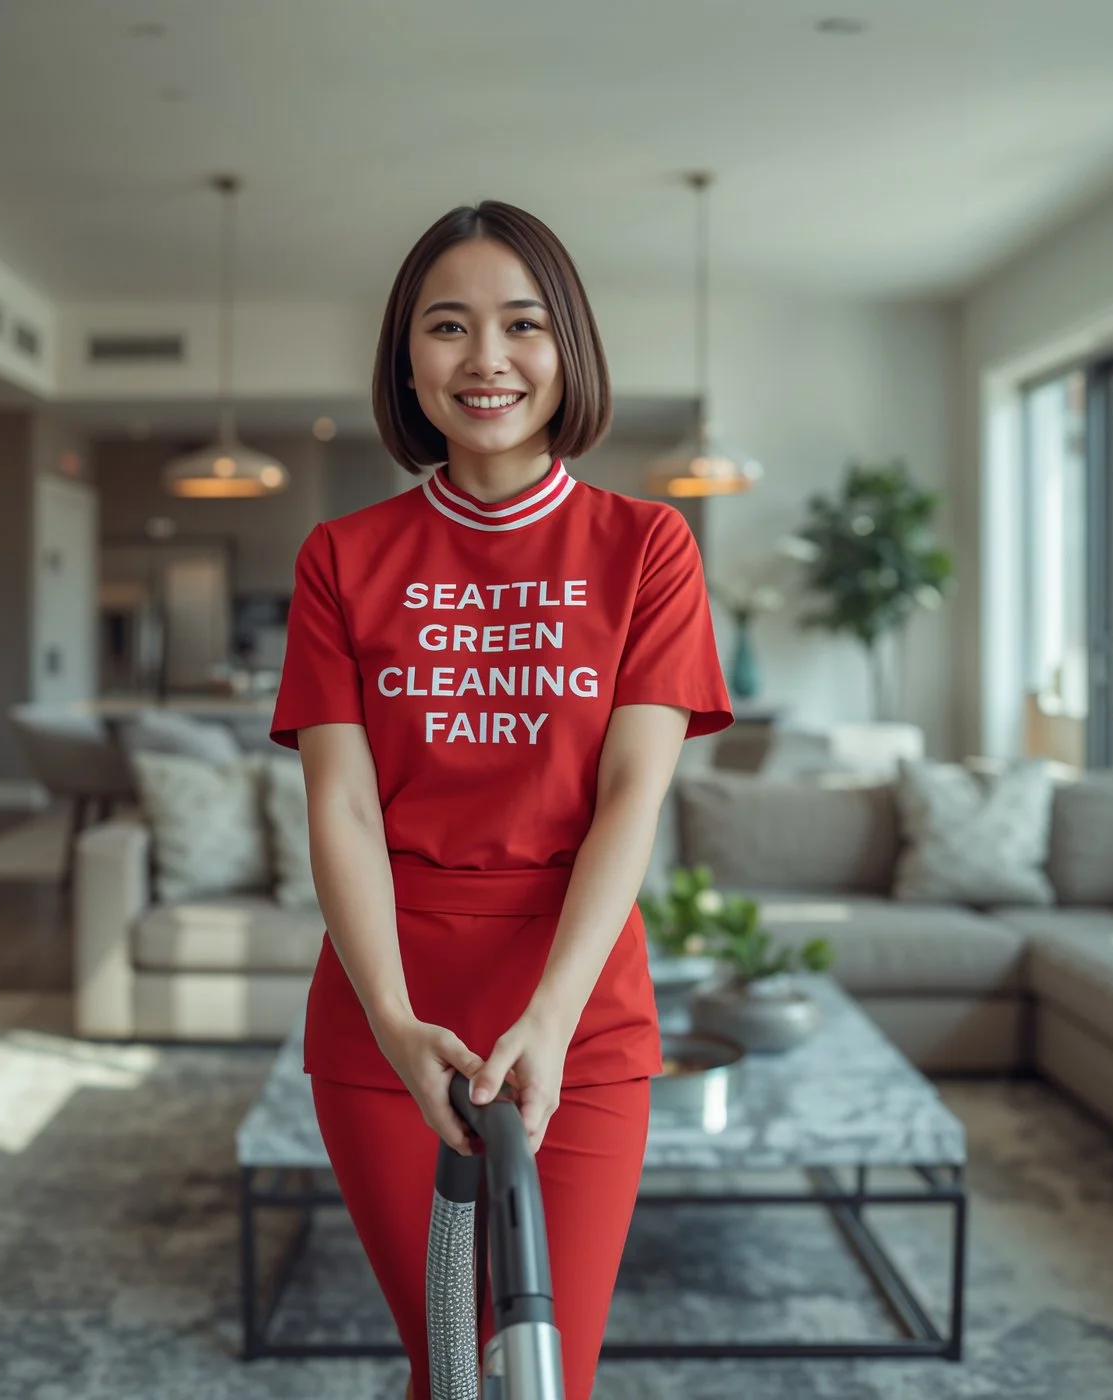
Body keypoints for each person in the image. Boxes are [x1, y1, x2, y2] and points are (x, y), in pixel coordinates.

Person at [269, 200, 732, 1400]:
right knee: (448, 1363)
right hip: (389, 1012)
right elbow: (341, 809)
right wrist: (391, 1018)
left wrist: (553, 1019)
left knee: (540, 1375)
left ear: (567, 347)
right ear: (405, 358)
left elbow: (631, 794)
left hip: (578, 1009)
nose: (486, 358)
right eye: (448, 326)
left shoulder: (648, 546)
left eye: (522, 324)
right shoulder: (340, 557)